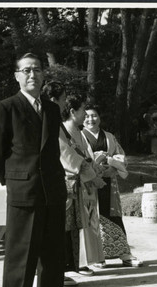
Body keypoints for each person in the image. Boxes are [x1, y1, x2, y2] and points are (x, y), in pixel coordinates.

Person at [0, 53, 75, 287]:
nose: (32, 75)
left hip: (52, 188)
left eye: (36, 69)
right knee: (21, 250)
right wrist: (13, 179)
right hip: (23, 188)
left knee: (53, 248)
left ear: (43, 74)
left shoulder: (50, 108)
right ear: (17, 76)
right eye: (26, 70)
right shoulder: (6, 107)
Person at [82, 105, 143, 267]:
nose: (90, 119)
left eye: (94, 115)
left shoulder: (109, 137)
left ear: (99, 118)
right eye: (87, 116)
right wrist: (94, 165)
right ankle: (96, 257)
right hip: (90, 184)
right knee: (92, 219)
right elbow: (78, 160)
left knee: (114, 217)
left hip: (110, 182)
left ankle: (124, 254)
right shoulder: (79, 136)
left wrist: (111, 164)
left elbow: (122, 157)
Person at [59, 94, 106, 275]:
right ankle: (70, 265)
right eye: (82, 110)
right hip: (70, 184)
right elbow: (69, 158)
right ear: (72, 112)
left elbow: (85, 156)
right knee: (69, 225)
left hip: (84, 184)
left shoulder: (78, 131)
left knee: (83, 224)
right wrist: (92, 176)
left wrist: (96, 170)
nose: (86, 114)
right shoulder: (62, 130)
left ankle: (79, 262)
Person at [41, 81, 80, 287]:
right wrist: (85, 170)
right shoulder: (48, 118)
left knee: (61, 230)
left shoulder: (53, 119)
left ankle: (59, 273)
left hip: (63, 179)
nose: (65, 103)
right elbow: (65, 153)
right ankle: (51, 277)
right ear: (55, 99)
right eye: (64, 99)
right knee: (55, 230)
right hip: (58, 180)